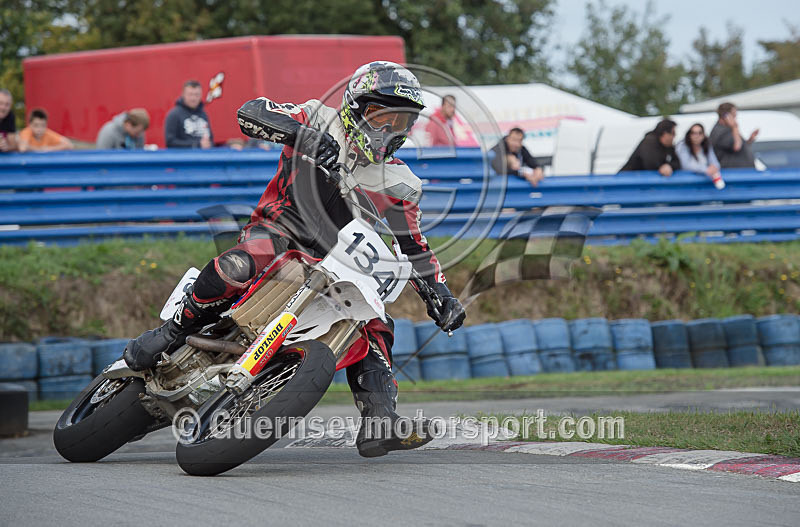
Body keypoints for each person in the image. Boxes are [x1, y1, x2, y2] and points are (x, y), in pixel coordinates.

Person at [123, 61, 466, 457]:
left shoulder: (404, 184)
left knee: (376, 320)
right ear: (356, 107)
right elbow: (251, 113)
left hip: (338, 263)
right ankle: (172, 332)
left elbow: (415, 246)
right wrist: (303, 136)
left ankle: (380, 419)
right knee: (244, 261)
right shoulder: (318, 116)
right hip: (279, 231)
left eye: (402, 121)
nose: (390, 130)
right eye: (381, 116)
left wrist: (440, 293)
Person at [164, 80, 213, 149]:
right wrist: (196, 145)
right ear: (183, 95)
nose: (193, 98)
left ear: (201, 95)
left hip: (204, 157)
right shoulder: (174, 115)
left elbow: (211, 140)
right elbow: (170, 142)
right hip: (183, 158)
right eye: (190, 94)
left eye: (197, 95)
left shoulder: (203, 114)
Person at [675, 123, 725, 189]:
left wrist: (713, 168)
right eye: (693, 133)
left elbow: (715, 163)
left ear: (703, 135)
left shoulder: (706, 145)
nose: (697, 136)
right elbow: (686, 165)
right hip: (685, 185)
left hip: (703, 186)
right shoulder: (682, 146)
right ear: (689, 134)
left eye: (700, 133)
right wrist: (705, 169)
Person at [709, 102, 758, 168]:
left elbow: (738, 146)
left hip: (742, 172)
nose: (735, 118)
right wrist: (735, 127)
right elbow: (737, 147)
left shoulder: (728, 130)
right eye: (734, 115)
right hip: (735, 173)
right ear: (726, 116)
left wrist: (749, 140)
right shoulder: (720, 131)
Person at [0, 88, 19, 153]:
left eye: (7, 104)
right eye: (0, 103)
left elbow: (13, 144)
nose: (3, 107)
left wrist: (7, 147)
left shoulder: (10, 116)